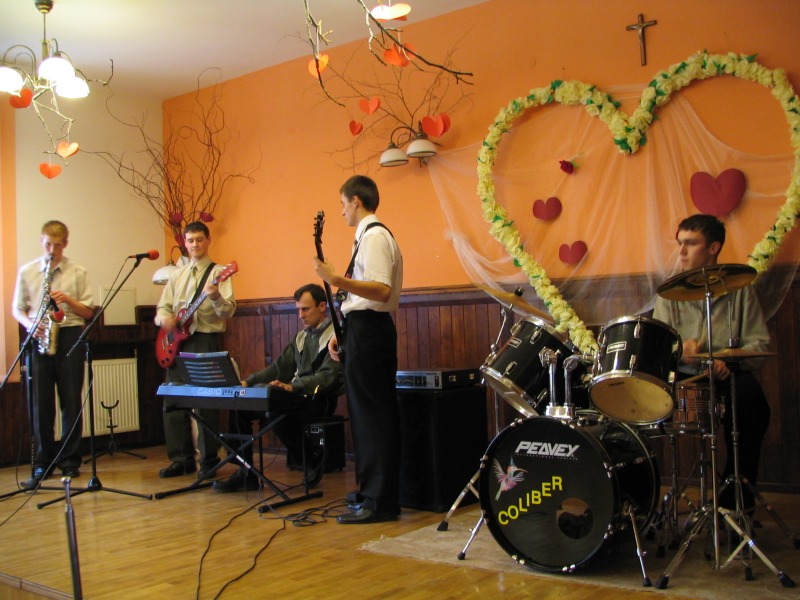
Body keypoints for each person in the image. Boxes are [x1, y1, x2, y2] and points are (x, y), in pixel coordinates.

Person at [653, 214, 771, 512]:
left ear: (714, 248)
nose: (681, 252)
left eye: (691, 244)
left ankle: (736, 503)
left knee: (753, 403)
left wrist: (727, 362)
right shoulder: (669, 293)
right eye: (680, 243)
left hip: (727, 375)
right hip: (684, 375)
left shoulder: (741, 289)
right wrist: (680, 351)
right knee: (642, 403)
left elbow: (758, 345)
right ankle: (645, 503)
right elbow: (660, 346)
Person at [314, 175, 403, 524]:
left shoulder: (376, 236)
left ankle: (380, 501)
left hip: (372, 330)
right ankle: (370, 492)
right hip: (361, 329)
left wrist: (336, 279)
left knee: (373, 416)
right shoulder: (365, 236)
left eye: (342, 204)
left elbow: (380, 290)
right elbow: (363, 295)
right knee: (364, 416)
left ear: (356, 201)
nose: (341, 211)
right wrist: (344, 331)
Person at [212, 283, 342, 492]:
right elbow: (277, 369)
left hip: (319, 399)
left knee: (274, 405)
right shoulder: (301, 337)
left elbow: (327, 378)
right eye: (298, 310)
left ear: (322, 306)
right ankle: (245, 471)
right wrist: (247, 382)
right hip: (295, 396)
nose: (300, 315)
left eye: (305, 309)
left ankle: (311, 461)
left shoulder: (335, 337)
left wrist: (291, 387)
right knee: (240, 403)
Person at [12, 220, 95, 488]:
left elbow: (88, 312)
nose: (52, 250)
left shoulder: (78, 271)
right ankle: (42, 463)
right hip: (39, 335)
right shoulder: (28, 271)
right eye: (48, 244)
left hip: (69, 335)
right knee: (40, 404)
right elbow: (17, 309)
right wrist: (30, 325)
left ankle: (70, 461)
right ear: (41, 241)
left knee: (71, 401)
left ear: (65, 244)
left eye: (57, 246)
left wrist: (67, 299)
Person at [156, 221, 236, 479]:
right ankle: (181, 460)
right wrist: (165, 320)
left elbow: (228, 311)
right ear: (185, 242)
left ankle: (209, 459)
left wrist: (215, 296)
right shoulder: (176, 275)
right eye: (190, 240)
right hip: (177, 342)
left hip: (205, 339)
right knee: (173, 398)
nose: (195, 244)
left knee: (206, 402)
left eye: (199, 239)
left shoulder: (219, 272)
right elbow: (163, 307)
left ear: (208, 240)